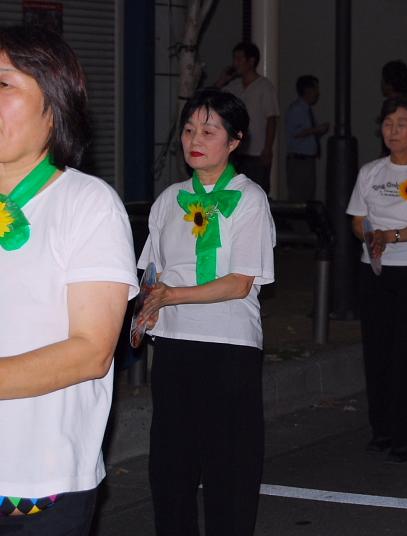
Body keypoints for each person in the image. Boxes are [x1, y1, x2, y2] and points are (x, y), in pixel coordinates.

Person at [0, 25, 138, 532]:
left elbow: (91, 350)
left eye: (4, 84)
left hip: (37, 484)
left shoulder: (87, 204)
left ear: (53, 105)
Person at [138, 88, 276, 535]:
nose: (195, 138)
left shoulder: (249, 198)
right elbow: (151, 272)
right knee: (170, 470)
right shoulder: (168, 200)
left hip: (227, 347)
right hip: (174, 345)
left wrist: (171, 296)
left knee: (229, 473)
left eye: (209, 130)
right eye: (189, 129)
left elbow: (240, 283)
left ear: (235, 140)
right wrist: (145, 307)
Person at [346, 96, 407, 463]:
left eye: (402, 123)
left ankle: (404, 433)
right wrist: (369, 236)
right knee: (377, 353)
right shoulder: (370, 171)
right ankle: (381, 430)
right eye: (388, 123)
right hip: (374, 270)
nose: (393, 130)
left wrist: (390, 237)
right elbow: (358, 218)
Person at [215, 42, 279, 194]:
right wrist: (222, 80)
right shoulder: (234, 86)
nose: (235, 63)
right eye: (234, 59)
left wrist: (268, 148)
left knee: (257, 190)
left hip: (257, 153)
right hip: (235, 151)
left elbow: (272, 118)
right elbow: (211, 97)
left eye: (239, 59)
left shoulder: (264, 86)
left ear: (251, 61)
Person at [285, 75, 329, 202]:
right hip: (299, 161)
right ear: (307, 90)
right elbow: (295, 133)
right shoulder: (297, 109)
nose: (318, 93)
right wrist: (316, 129)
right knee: (299, 198)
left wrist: (318, 132)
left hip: (307, 161)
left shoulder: (306, 109)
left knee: (307, 197)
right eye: (316, 89)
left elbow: (305, 135)